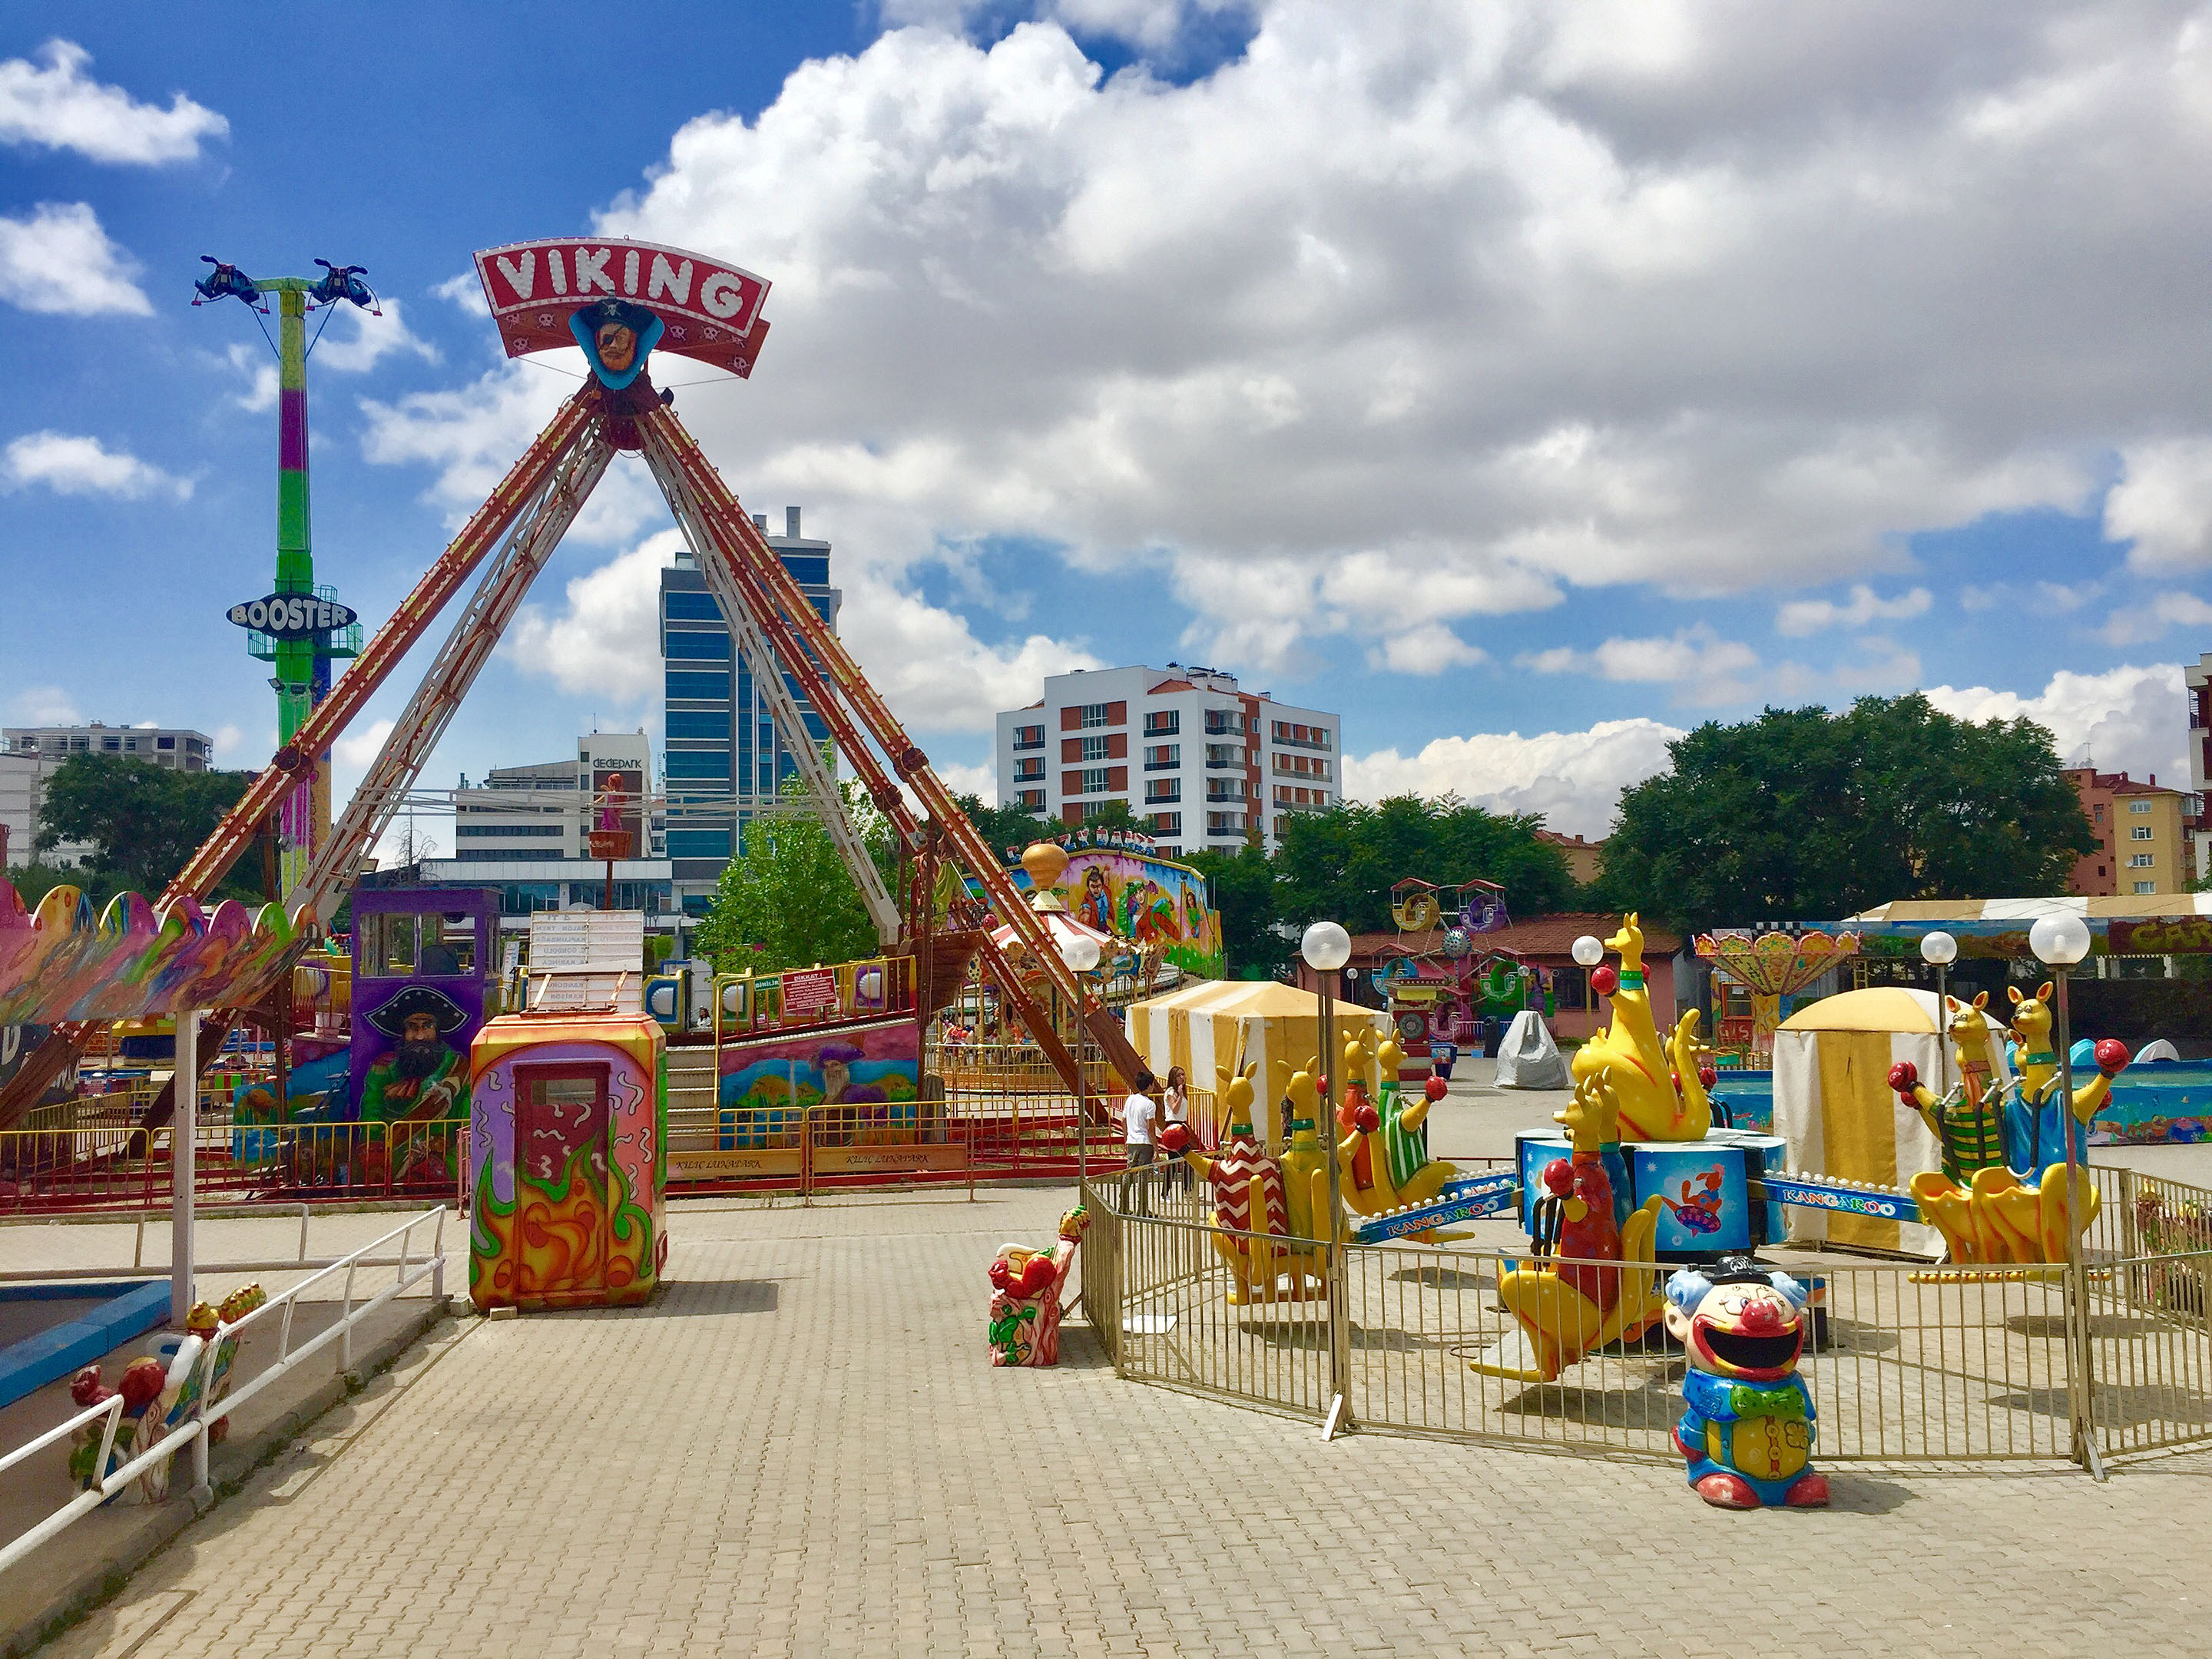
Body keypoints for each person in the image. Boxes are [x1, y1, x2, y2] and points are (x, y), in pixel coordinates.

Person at [1122, 1069, 1161, 1216]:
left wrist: (1126, 1137)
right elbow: (1151, 1129)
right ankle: (1142, 1208)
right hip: (1145, 1142)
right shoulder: (1150, 1105)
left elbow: (1123, 1120)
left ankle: (1123, 1205)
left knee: (1129, 1174)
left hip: (1132, 1141)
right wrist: (1156, 1149)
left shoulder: (1130, 1099)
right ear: (1149, 1085)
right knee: (1143, 1177)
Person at [1159, 1066, 1191, 1197]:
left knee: (1188, 1159)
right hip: (1173, 1126)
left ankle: (1188, 1189)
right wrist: (1180, 1095)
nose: (1182, 1077)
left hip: (1182, 1125)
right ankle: (1165, 1192)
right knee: (1173, 1161)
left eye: (1183, 1074)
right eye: (1179, 1075)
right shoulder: (1171, 1092)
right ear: (1173, 1077)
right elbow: (1175, 1109)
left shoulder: (1182, 1091)